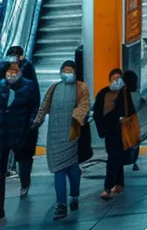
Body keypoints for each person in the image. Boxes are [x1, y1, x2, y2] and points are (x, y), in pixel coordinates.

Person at [34, 61, 89, 220]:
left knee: (72, 168)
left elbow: (84, 105)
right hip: (54, 135)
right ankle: (61, 204)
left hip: (71, 134)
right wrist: (38, 120)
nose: (67, 73)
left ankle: (74, 195)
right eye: (64, 70)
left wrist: (74, 117)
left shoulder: (81, 88)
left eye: (70, 70)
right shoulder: (54, 88)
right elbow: (44, 106)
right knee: (58, 169)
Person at [0, 61, 40, 218]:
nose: (12, 73)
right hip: (2, 135)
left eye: (15, 70)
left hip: (21, 134)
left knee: (23, 162)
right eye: (9, 70)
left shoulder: (28, 86)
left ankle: (25, 182)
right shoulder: (2, 87)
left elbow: (34, 108)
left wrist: (31, 126)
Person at [93, 68, 136, 200]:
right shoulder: (103, 94)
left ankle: (108, 187)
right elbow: (97, 114)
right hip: (110, 132)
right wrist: (103, 130)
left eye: (118, 77)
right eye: (113, 78)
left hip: (122, 132)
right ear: (109, 80)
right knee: (115, 158)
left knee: (113, 159)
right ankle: (118, 184)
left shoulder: (124, 93)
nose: (116, 80)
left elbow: (131, 112)